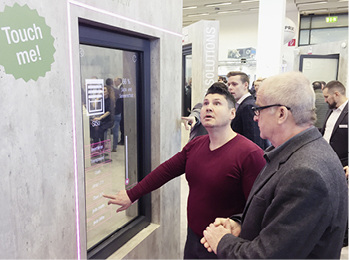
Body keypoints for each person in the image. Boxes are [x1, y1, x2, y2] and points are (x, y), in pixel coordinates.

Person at [104, 82, 266, 259]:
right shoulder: (196, 144)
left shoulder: (250, 153)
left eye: (217, 103)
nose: (208, 108)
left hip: (225, 245)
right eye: (205, 103)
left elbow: (258, 208)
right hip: (194, 238)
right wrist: (132, 194)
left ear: (232, 113)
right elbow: (165, 171)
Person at [201, 71, 348, 259]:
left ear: (281, 113)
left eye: (259, 109)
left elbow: (268, 255)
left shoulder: (306, 173)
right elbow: (275, 215)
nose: (255, 117)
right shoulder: (294, 153)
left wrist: (222, 241)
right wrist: (239, 223)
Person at [321, 80, 348, 247]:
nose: (324, 100)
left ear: (336, 94)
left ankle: (344, 237)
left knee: (343, 203)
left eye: (326, 97)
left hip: (343, 165)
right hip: (327, 162)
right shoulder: (330, 112)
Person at [227, 71, 269, 149]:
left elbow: (254, 139)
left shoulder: (248, 106)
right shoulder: (242, 105)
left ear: (245, 85)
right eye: (228, 84)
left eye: (234, 84)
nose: (230, 87)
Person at [112, 77, 124, 151]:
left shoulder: (121, 88)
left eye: (115, 81)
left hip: (120, 110)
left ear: (119, 81)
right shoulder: (119, 89)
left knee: (120, 126)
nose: (114, 82)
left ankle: (122, 141)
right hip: (120, 110)